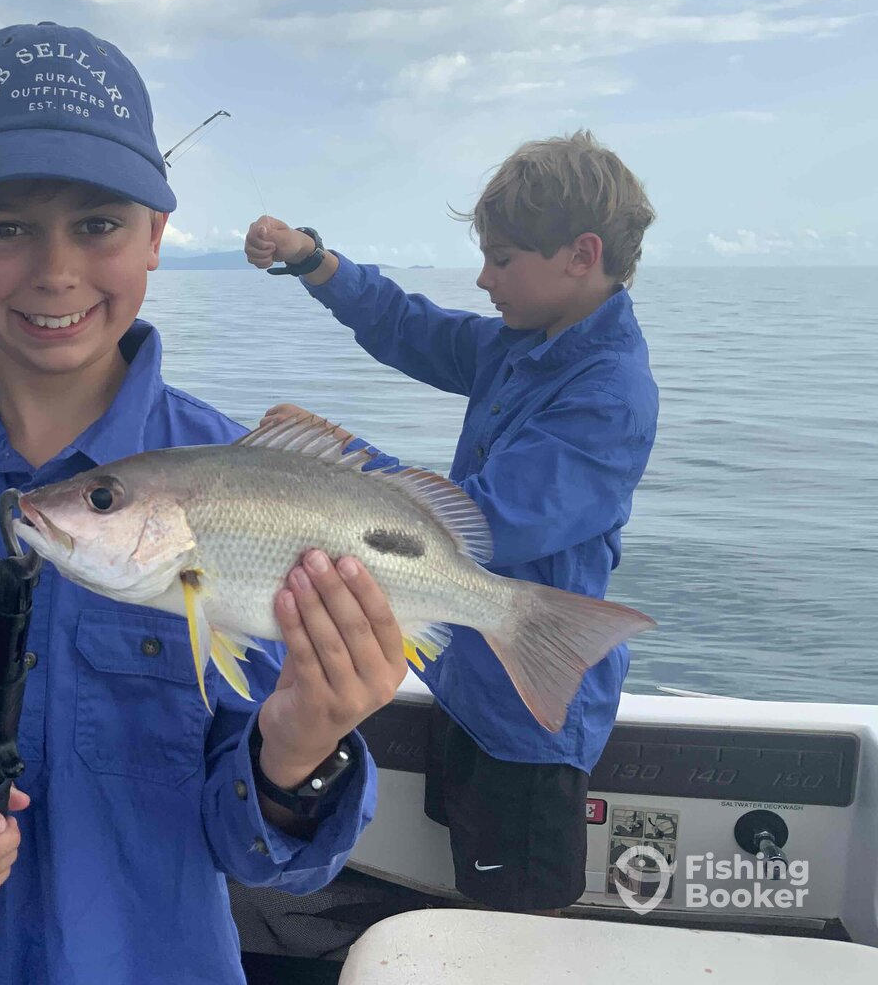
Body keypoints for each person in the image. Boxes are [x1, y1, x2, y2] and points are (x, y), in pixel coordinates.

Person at [0, 21, 410, 984]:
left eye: (100, 224)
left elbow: (260, 852)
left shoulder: (247, 489)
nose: (56, 270)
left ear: (156, 236)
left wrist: (300, 752)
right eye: (5, 227)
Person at [243, 129, 659, 912]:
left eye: (503, 259)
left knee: (517, 925)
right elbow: (410, 327)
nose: (483, 277)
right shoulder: (523, 343)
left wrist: (331, 464)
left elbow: (491, 522)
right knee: (470, 884)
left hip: (531, 718)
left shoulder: (608, 396)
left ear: (581, 255)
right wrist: (312, 259)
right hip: (468, 678)